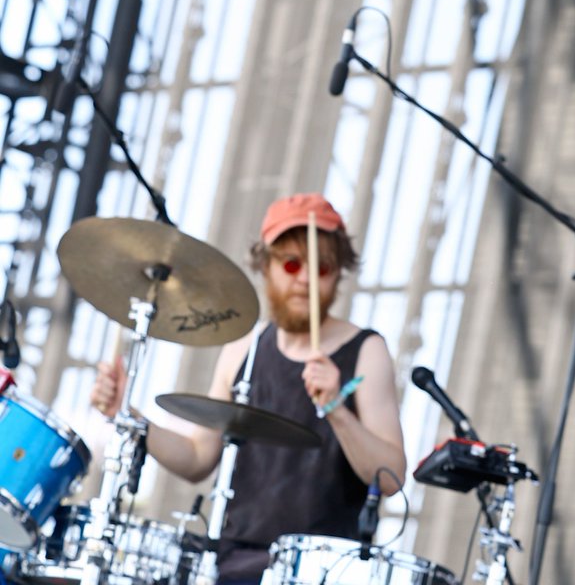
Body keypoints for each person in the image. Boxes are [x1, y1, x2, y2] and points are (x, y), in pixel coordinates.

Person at [91, 193, 406, 584]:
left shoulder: (365, 351)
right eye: (292, 263)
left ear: (339, 272)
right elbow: (196, 458)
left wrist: (337, 408)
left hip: (320, 571)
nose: (305, 279)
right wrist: (127, 413)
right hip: (232, 561)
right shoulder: (245, 348)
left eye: (322, 267)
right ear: (266, 265)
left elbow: (391, 478)